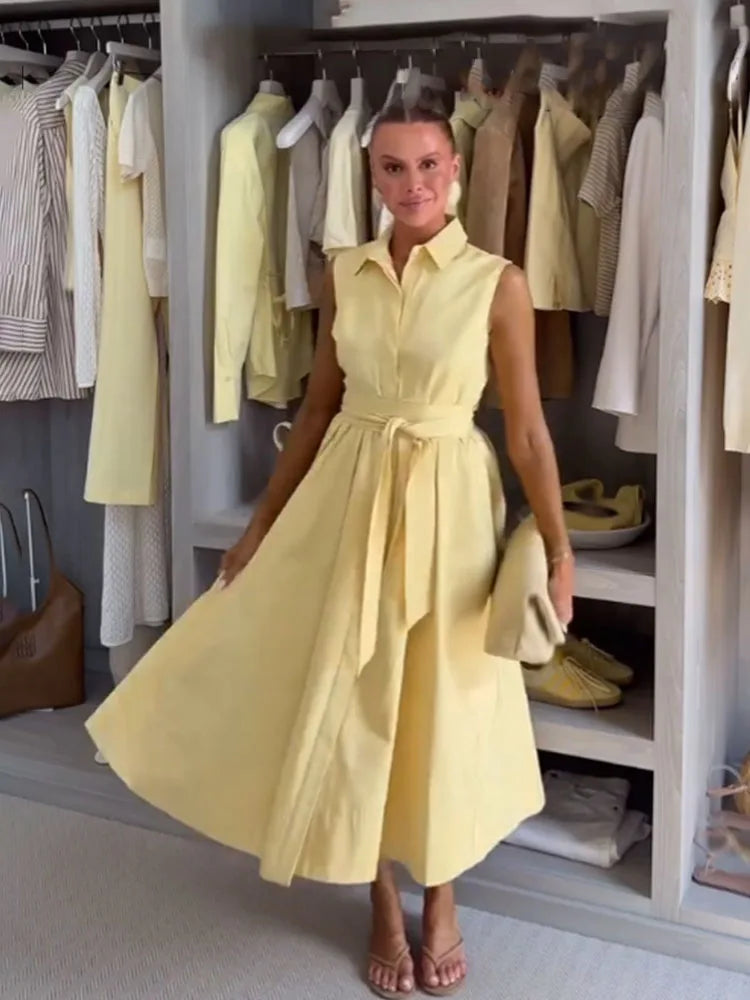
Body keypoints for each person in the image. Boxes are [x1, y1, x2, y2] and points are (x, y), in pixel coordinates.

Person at [86, 101, 574, 999]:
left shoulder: (495, 281)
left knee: (441, 702)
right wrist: (261, 527)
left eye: (428, 165)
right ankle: (382, 901)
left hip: (450, 503)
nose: (413, 184)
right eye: (393, 168)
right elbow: (313, 410)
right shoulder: (342, 273)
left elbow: (531, 434)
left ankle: (444, 897)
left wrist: (559, 547)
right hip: (346, 496)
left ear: (455, 171)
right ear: (371, 177)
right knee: (351, 698)